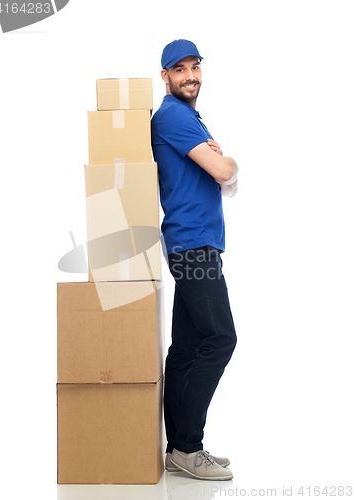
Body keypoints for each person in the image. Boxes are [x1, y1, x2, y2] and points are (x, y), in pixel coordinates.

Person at [151, 39, 239, 481]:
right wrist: (229, 161)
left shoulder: (187, 116)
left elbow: (217, 176)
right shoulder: (172, 115)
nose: (190, 76)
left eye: (195, 67)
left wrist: (220, 163)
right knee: (221, 339)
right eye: (179, 69)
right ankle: (188, 446)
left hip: (194, 245)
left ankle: (180, 448)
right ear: (164, 76)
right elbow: (224, 173)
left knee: (186, 349)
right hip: (193, 246)